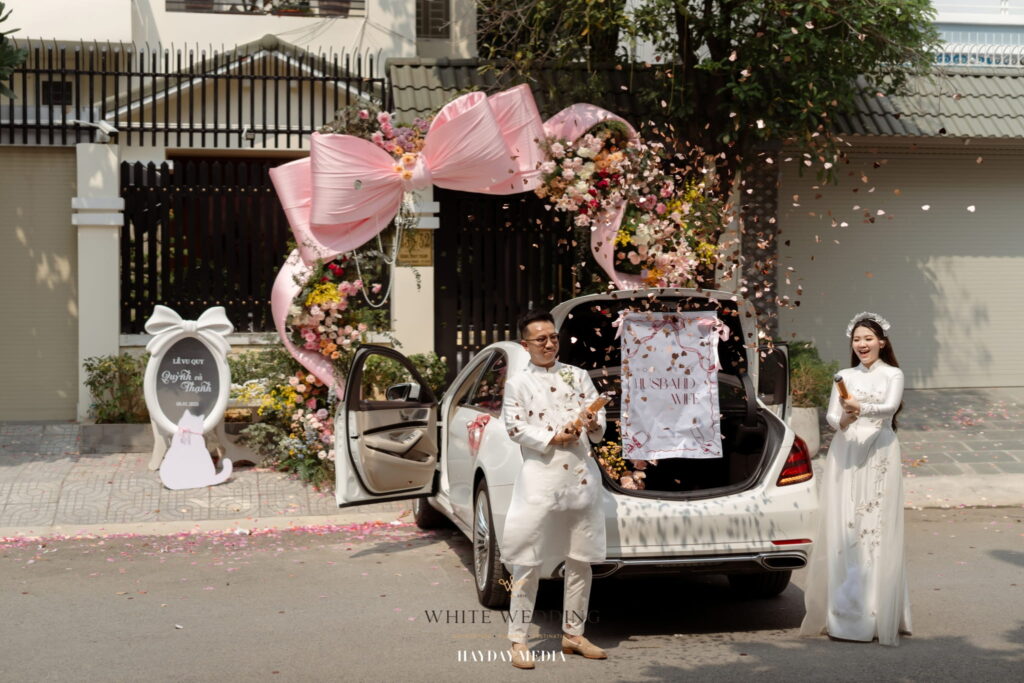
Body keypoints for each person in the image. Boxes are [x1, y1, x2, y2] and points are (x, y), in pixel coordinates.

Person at [500, 308, 609, 669]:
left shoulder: (577, 376)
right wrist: (551, 436)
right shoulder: (517, 383)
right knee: (527, 560)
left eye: (553, 337)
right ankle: (518, 639)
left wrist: (593, 422)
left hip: (580, 475)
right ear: (525, 344)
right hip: (541, 478)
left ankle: (574, 634)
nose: (549, 344)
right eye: (541, 339)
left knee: (580, 558)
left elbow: (599, 425)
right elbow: (514, 427)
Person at [800, 312, 912, 646]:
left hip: (880, 452)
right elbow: (834, 420)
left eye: (868, 338)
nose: (862, 344)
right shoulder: (843, 376)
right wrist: (846, 416)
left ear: (882, 342)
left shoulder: (894, 374)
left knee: (876, 526)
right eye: (857, 339)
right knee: (845, 526)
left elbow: (890, 407)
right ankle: (846, 614)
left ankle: (881, 610)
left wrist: (858, 406)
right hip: (846, 452)